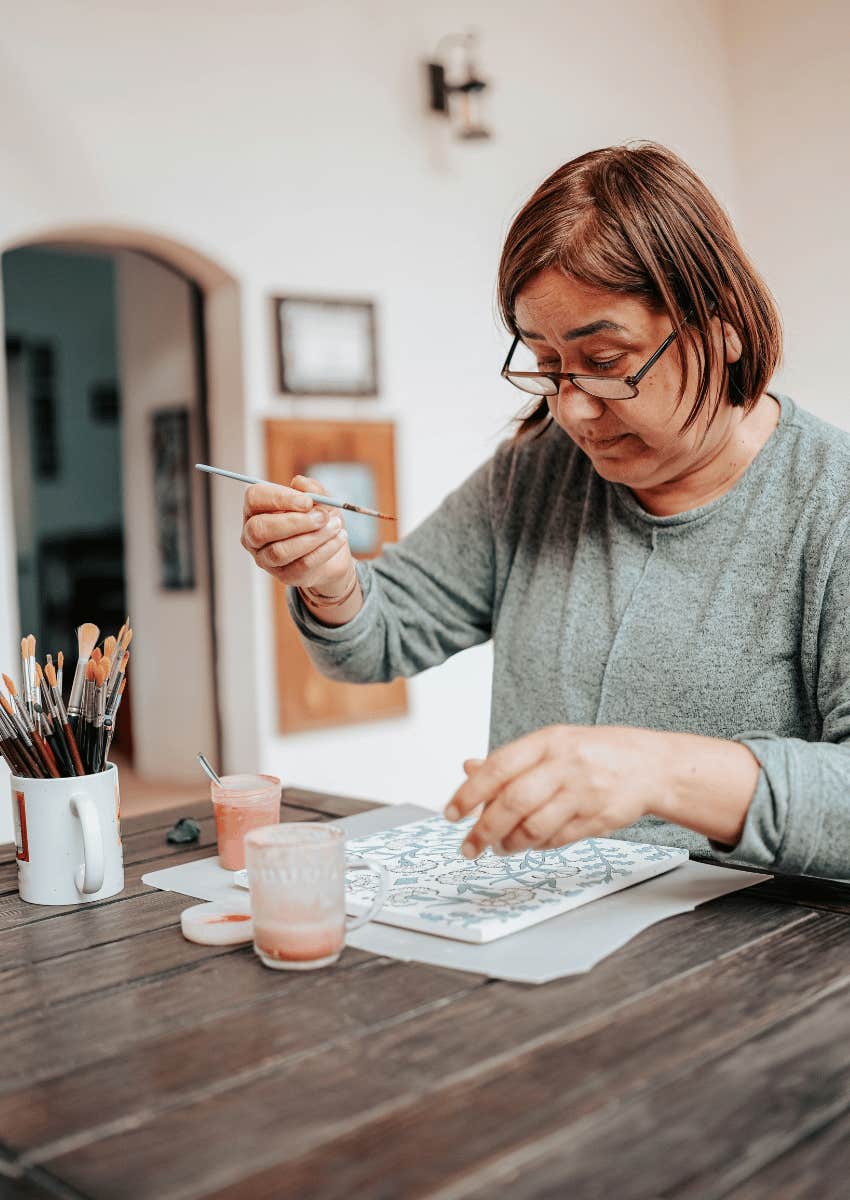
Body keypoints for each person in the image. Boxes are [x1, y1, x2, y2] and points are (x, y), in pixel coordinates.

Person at [241, 142, 850, 880]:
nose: (573, 409)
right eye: (546, 363)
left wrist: (662, 771)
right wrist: (332, 581)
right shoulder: (537, 474)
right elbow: (378, 638)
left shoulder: (830, 504)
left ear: (722, 329)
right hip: (537, 931)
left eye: (604, 362)